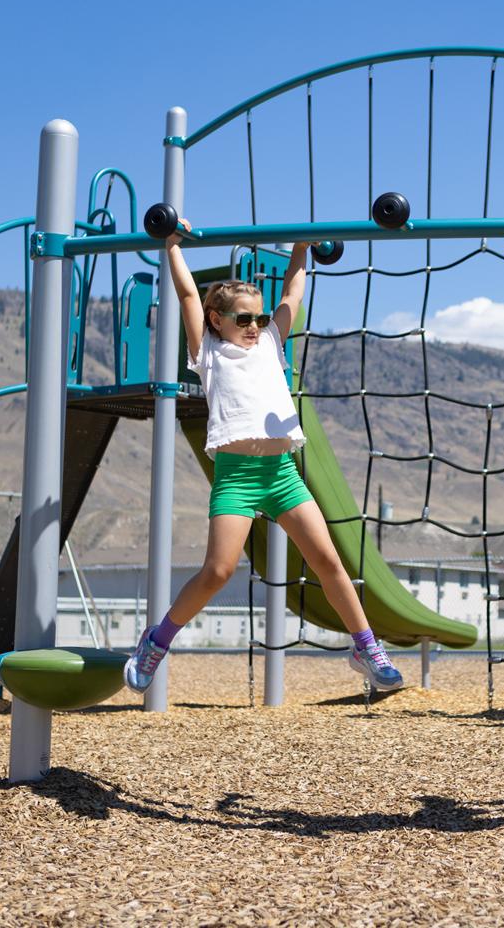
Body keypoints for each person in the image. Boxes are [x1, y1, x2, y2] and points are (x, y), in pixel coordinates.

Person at [124, 221, 405, 695]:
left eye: (258, 318)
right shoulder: (208, 353)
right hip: (236, 476)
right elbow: (190, 296)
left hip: (282, 474)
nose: (254, 326)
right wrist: (171, 246)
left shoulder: (272, 343)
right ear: (218, 321)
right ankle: (156, 641)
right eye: (243, 319)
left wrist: (300, 249)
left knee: (329, 562)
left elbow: (292, 295)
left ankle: (366, 647)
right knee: (218, 571)